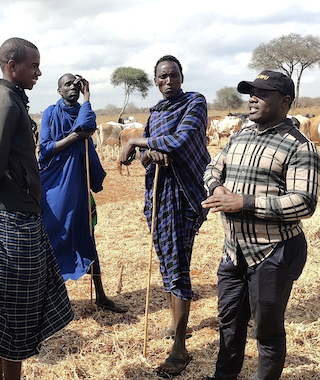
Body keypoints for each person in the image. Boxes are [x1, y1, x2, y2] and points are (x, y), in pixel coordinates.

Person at [201, 70, 320, 380]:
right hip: (233, 252)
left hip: (273, 252)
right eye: (250, 92)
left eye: (262, 94)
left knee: (266, 331)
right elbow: (212, 169)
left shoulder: (300, 147)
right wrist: (217, 189)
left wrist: (243, 202)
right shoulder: (239, 136)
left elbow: (304, 203)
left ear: (285, 102)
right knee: (229, 324)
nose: (252, 99)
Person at [0, 37, 74, 380]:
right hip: (9, 223)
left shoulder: (9, 100)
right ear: (12, 67)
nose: (39, 72)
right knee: (13, 318)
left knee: (7, 318)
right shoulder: (5, 104)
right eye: (33, 65)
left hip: (14, 216)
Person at [119, 55, 210, 378]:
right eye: (162, 77)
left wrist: (134, 141)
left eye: (173, 75)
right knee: (167, 260)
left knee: (178, 263)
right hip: (158, 195)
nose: (168, 81)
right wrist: (149, 154)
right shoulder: (156, 112)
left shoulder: (195, 103)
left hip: (184, 195)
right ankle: (175, 322)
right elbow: (147, 156)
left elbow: (182, 141)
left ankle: (180, 348)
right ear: (155, 82)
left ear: (182, 76)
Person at [38, 73, 127, 313]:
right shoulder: (50, 112)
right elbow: (45, 149)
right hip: (55, 187)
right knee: (54, 239)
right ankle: (51, 302)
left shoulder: (82, 110)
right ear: (59, 90)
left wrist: (88, 97)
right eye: (67, 84)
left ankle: (100, 295)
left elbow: (88, 124)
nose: (73, 88)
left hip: (79, 185)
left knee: (88, 236)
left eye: (77, 85)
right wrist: (75, 136)